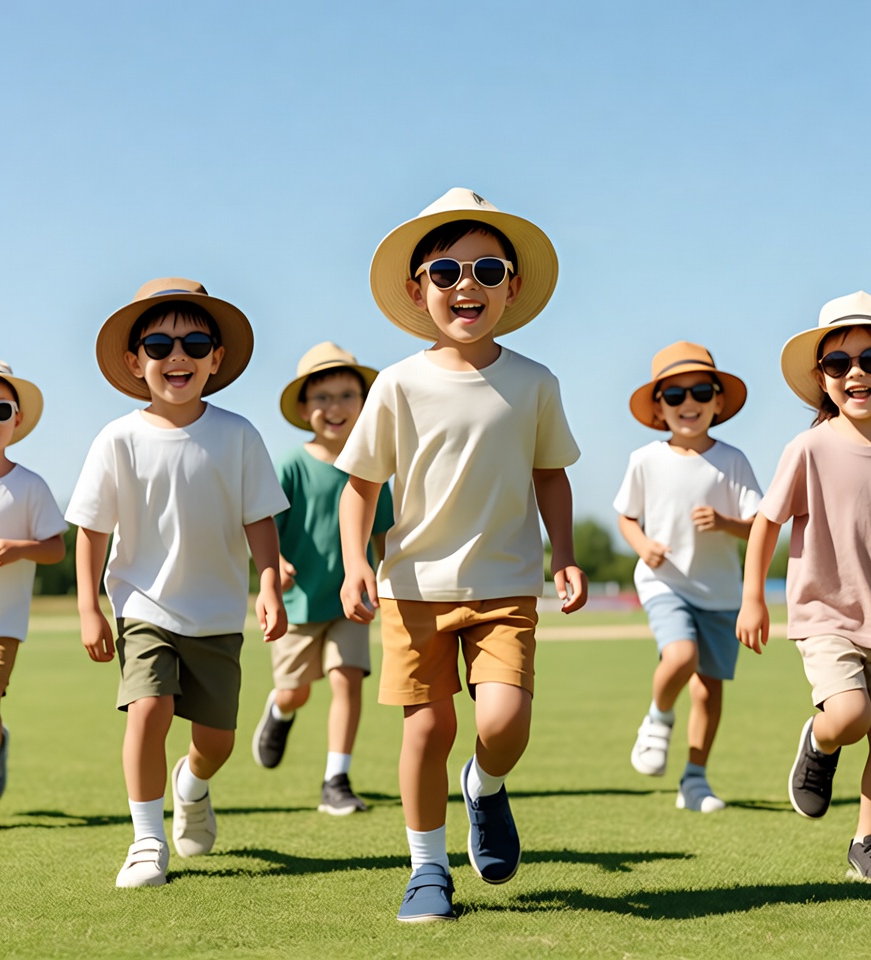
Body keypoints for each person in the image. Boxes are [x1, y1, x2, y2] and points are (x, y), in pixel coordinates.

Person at [336, 187, 587, 923]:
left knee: (503, 722)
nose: (464, 285)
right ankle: (426, 870)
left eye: (485, 269)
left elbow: (551, 474)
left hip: (507, 583)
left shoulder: (536, 382)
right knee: (427, 729)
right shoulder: (396, 384)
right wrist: (357, 562)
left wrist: (564, 553)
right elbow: (360, 487)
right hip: (412, 587)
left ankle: (485, 785)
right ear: (419, 291)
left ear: (513, 285)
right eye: (444, 272)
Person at [66, 278, 289, 888]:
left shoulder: (239, 434)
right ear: (136, 361)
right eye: (159, 343)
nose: (177, 355)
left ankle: (191, 786)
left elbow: (260, 518)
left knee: (214, 742)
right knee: (148, 709)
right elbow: (90, 530)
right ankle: (145, 841)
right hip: (143, 606)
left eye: (195, 341)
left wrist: (268, 583)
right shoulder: (117, 439)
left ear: (216, 358)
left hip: (217, 615)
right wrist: (90, 608)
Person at [737, 291, 871, 883]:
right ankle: (822, 743)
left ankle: (868, 845)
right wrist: (754, 598)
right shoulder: (809, 447)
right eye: (838, 363)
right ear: (822, 379)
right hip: (824, 615)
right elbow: (767, 523)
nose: (856, 372)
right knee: (851, 716)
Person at [615, 342, 761, 812]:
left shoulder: (733, 460)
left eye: (701, 391)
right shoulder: (645, 459)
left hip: (720, 592)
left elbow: (758, 526)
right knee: (680, 656)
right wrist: (643, 547)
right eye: (674, 395)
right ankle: (657, 720)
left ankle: (695, 780)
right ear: (659, 407)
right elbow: (626, 518)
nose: (689, 403)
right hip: (664, 583)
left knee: (708, 688)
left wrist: (724, 522)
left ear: (718, 401)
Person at [252, 342, 394, 815]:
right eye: (323, 397)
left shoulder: (373, 469)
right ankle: (280, 710)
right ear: (303, 407)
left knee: (347, 680)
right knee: (296, 689)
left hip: (350, 602)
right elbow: (261, 522)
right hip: (297, 602)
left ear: (364, 402)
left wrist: (388, 584)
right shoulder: (291, 465)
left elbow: (384, 536)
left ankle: (336, 778)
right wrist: (275, 564)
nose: (335, 408)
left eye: (347, 396)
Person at [0, 354, 66, 834]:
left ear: (18, 418)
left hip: (0, 622)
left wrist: (21, 548)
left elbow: (56, 548)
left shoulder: (29, 486)